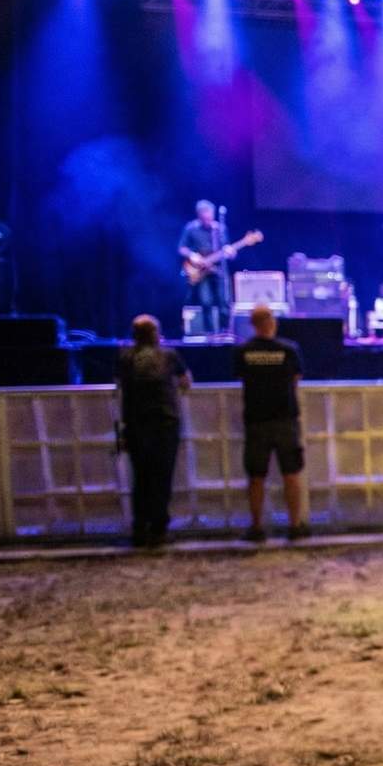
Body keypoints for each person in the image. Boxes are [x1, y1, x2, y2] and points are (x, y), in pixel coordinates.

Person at [115, 314, 193, 548]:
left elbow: (120, 386)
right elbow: (186, 381)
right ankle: (159, 529)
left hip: (136, 424)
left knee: (141, 478)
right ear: (156, 334)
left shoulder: (125, 357)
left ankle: (139, 528)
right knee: (162, 477)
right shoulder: (169, 355)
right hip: (165, 423)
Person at [234, 304, 308, 543]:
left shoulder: (243, 351)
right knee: (291, 473)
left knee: (256, 476)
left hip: (256, 420)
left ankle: (256, 528)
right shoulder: (289, 349)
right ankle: (295, 526)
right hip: (285, 418)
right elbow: (296, 378)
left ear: (252, 325)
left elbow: (240, 376)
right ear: (273, 322)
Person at [178, 200, 230, 336]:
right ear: (199, 216)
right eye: (205, 218)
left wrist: (230, 252)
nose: (208, 220)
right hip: (201, 272)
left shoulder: (219, 229)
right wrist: (192, 255)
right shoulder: (191, 228)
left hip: (218, 271)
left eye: (210, 216)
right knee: (206, 302)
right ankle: (210, 335)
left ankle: (225, 333)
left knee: (224, 302)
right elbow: (181, 248)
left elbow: (226, 249)